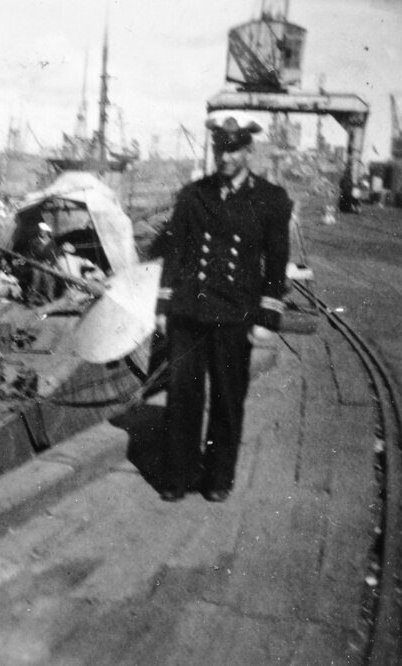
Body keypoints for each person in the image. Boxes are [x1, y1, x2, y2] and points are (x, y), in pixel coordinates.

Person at [155, 110, 292, 503]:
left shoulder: (270, 199)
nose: (226, 157)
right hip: (189, 311)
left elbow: (277, 260)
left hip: (235, 313)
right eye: (220, 149)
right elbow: (175, 252)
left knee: (228, 397)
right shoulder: (193, 194)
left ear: (249, 151)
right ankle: (177, 475)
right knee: (183, 396)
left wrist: (268, 314)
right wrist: (163, 307)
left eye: (233, 150)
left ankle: (218, 477)